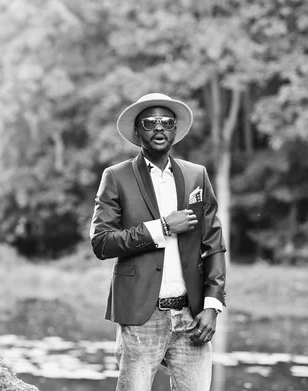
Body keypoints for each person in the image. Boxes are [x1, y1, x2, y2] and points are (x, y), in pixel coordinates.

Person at [89, 93, 227, 391]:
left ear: (175, 130)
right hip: (141, 316)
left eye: (167, 122)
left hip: (193, 316)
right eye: (150, 122)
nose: (159, 127)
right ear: (138, 132)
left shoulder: (196, 176)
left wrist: (212, 305)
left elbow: (213, 244)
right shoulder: (116, 176)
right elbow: (102, 243)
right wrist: (162, 227)